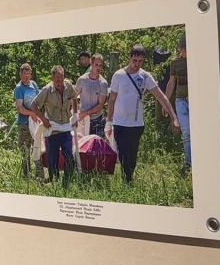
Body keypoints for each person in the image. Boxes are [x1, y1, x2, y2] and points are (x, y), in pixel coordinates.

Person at [107, 45, 180, 183]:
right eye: (135, 60)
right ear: (130, 58)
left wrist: (174, 117)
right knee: (123, 153)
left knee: (132, 154)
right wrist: (109, 121)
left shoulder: (145, 76)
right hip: (120, 122)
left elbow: (161, 96)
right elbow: (112, 99)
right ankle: (127, 180)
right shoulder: (119, 75)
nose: (137, 64)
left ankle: (129, 178)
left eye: (140, 61)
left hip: (136, 123)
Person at [31, 66, 77, 186]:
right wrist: (43, 119)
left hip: (66, 129)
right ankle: (54, 183)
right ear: (52, 78)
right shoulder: (46, 90)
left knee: (69, 157)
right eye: (57, 81)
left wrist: (75, 115)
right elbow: (34, 105)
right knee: (53, 161)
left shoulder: (68, 86)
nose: (60, 83)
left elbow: (74, 97)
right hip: (52, 130)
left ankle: (67, 183)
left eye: (62, 80)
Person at [163, 35, 190, 173]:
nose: (185, 51)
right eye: (183, 48)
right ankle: (188, 163)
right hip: (181, 101)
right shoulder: (175, 63)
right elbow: (171, 82)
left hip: (196, 101)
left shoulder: (199, 59)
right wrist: (166, 103)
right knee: (186, 133)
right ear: (180, 49)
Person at [13, 63, 43, 180]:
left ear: (31, 74)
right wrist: (33, 114)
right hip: (24, 124)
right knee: (25, 150)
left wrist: (38, 114)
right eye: (24, 74)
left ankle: (39, 176)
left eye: (28, 74)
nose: (26, 76)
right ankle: (26, 176)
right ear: (20, 74)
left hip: (36, 122)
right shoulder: (19, 88)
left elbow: (39, 100)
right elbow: (20, 108)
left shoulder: (34, 84)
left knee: (38, 148)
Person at [75, 53, 109, 138]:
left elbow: (100, 105)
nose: (98, 67)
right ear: (91, 64)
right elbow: (73, 97)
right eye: (96, 65)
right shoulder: (82, 80)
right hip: (82, 121)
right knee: (81, 148)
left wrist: (85, 113)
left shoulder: (103, 83)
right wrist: (76, 113)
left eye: (100, 65)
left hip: (97, 121)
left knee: (97, 149)